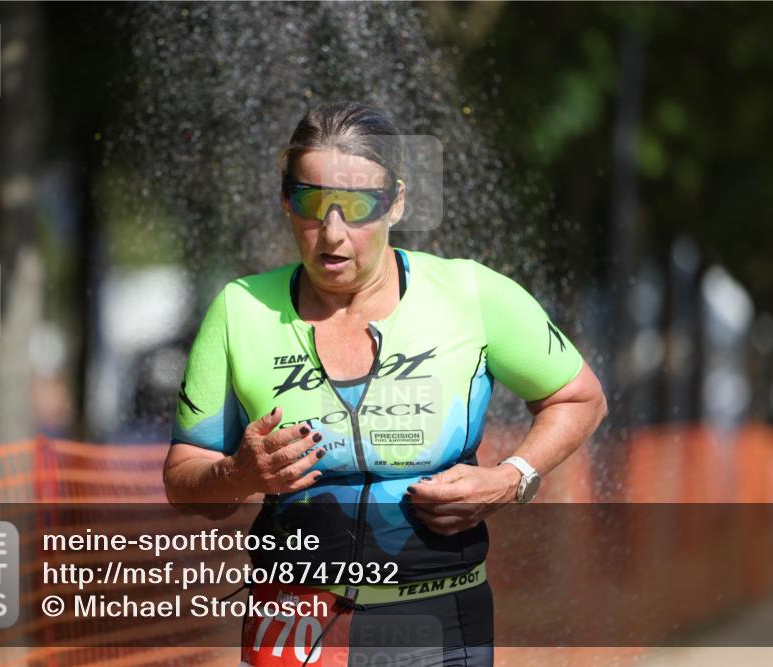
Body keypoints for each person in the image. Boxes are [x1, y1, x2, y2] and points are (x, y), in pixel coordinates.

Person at [163, 101, 607, 666]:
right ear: (284, 198)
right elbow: (183, 480)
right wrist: (239, 473)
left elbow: (579, 397)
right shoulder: (240, 309)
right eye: (311, 202)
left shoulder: (472, 294)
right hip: (294, 621)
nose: (332, 234)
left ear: (397, 201)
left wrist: (512, 477)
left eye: (358, 206)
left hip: (439, 620)